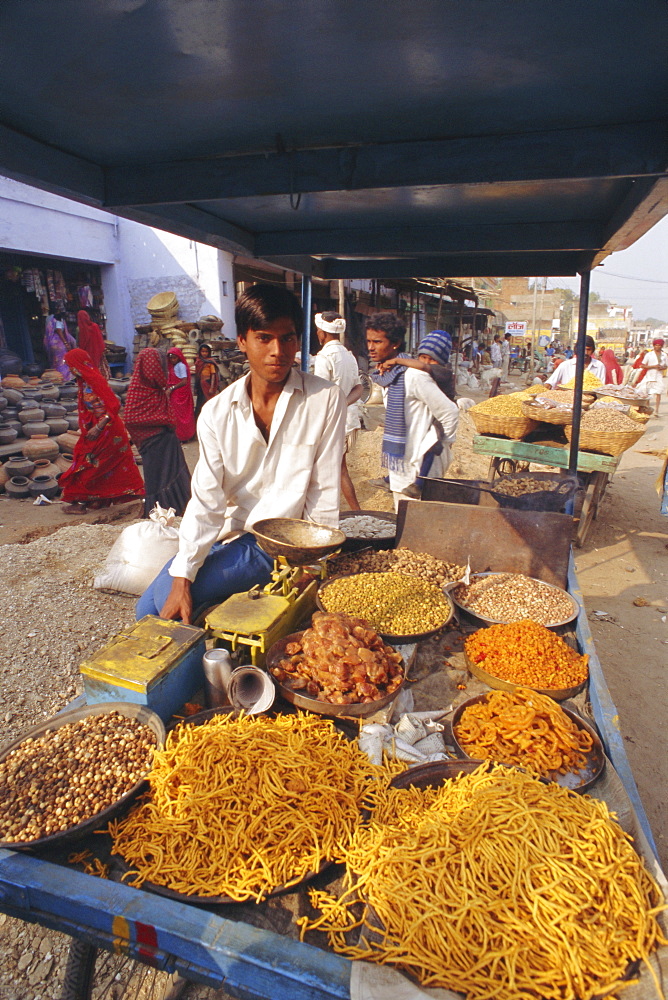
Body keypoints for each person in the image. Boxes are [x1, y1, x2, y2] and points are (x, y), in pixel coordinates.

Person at [136, 283, 347, 624]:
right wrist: (183, 574)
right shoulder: (217, 412)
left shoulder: (324, 399)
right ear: (242, 342)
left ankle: (217, 671)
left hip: (279, 546)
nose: (278, 351)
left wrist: (313, 564)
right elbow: (206, 500)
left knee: (165, 612)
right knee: (147, 609)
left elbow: (324, 489)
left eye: (288, 338)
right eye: (264, 338)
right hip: (229, 533)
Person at [367, 314, 459, 507]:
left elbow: (450, 412)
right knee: (403, 521)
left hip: (420, 466)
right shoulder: (388, 375)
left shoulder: (414, 376)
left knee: (419, 527)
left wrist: (441, 444)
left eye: (377, 342)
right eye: (368, 341)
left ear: (395, 343)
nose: (370, 347)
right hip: (401, 464)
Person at [59, 348, 144, 514]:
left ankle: (81, 503)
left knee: (90, 465)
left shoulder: (94, 381)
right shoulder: (83, 382)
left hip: (107, 430)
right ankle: (98, 501)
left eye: (70, 365)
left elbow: (113, 404)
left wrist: (98, 427)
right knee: (102, 465)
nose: (69, 369)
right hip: (100, 429)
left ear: (77, 365)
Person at [124, 348, 191, 517]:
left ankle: (180, 508)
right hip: (153, 443)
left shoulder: (158, 391)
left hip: (167, 442)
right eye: (159, 366)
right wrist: (164, 421)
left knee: (175, 474)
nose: (162, 370)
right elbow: (131, 419)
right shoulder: (139, 390)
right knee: (157, 479)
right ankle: (159, 511)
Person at [313, 310, 362, 511]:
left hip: (333, 423)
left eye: (318, 331)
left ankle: (357, 512)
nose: (317, 334)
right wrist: (344, 403)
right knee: (337, 469)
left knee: (338, 471)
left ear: (322, 333)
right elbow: (359, 388)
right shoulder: (349, 356)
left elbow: (322, 393)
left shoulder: (325, 357)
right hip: (349, 421)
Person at [166, 347, 196, 441]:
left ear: (179, 357)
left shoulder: (181, 366)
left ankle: (184, 436)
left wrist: (171, 388)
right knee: (176, 416)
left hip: (179, 394)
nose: (172, 360)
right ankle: (179, 435)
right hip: (175, 393)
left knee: (181, 416)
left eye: (174, 358)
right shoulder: (172, 367)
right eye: (171, 358)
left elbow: (184, 381)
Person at [636, 338, 668, 416]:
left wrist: (662, 368)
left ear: (661, 346)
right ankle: (648, 409)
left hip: (659, 376)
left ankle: (656, 410)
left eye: (659, 345)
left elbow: (666, 366)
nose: (658, 346)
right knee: (647, 393)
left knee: (658, 392)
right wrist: (653, 366)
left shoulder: (664, 355)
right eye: (656, 345)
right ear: (654, 346)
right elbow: (642, 365)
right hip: (649, 375)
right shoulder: (649, 355)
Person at [76, 309, 110, 377]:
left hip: (86, 355)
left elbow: (78, 343)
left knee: (89, 370)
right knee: (101, 371)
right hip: (98, 353)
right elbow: (100, 340)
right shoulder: (95, 326)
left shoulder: (78, 329)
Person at [44, 311, 76, 378]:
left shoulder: (51, 321)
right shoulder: (59, 321)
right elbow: (59, 330)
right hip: (59, 344)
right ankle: (63, 377)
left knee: (55, 362)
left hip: (53, 344)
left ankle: (56, 377)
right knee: (62, 362)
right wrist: (65, 343)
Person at [194, 343, 220, 416]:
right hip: (200, 385)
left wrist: (212, 387)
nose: (204, 353)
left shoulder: (210, 362)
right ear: (200, 352)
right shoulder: (198, 361)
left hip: (207, 384)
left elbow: (213, 374)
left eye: (206, 352)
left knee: (208, 401)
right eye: (203, 351)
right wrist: (196, 387)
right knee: (200, 402)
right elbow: (197, 375)